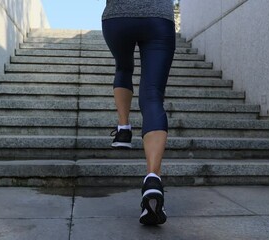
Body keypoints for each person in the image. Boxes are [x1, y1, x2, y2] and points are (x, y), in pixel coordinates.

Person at [101, 0, 176, 225]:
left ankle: (123, 129)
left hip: (118, 18)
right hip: (158, 19)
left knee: (123, 67)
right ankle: (152, 179)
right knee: (152, 96)